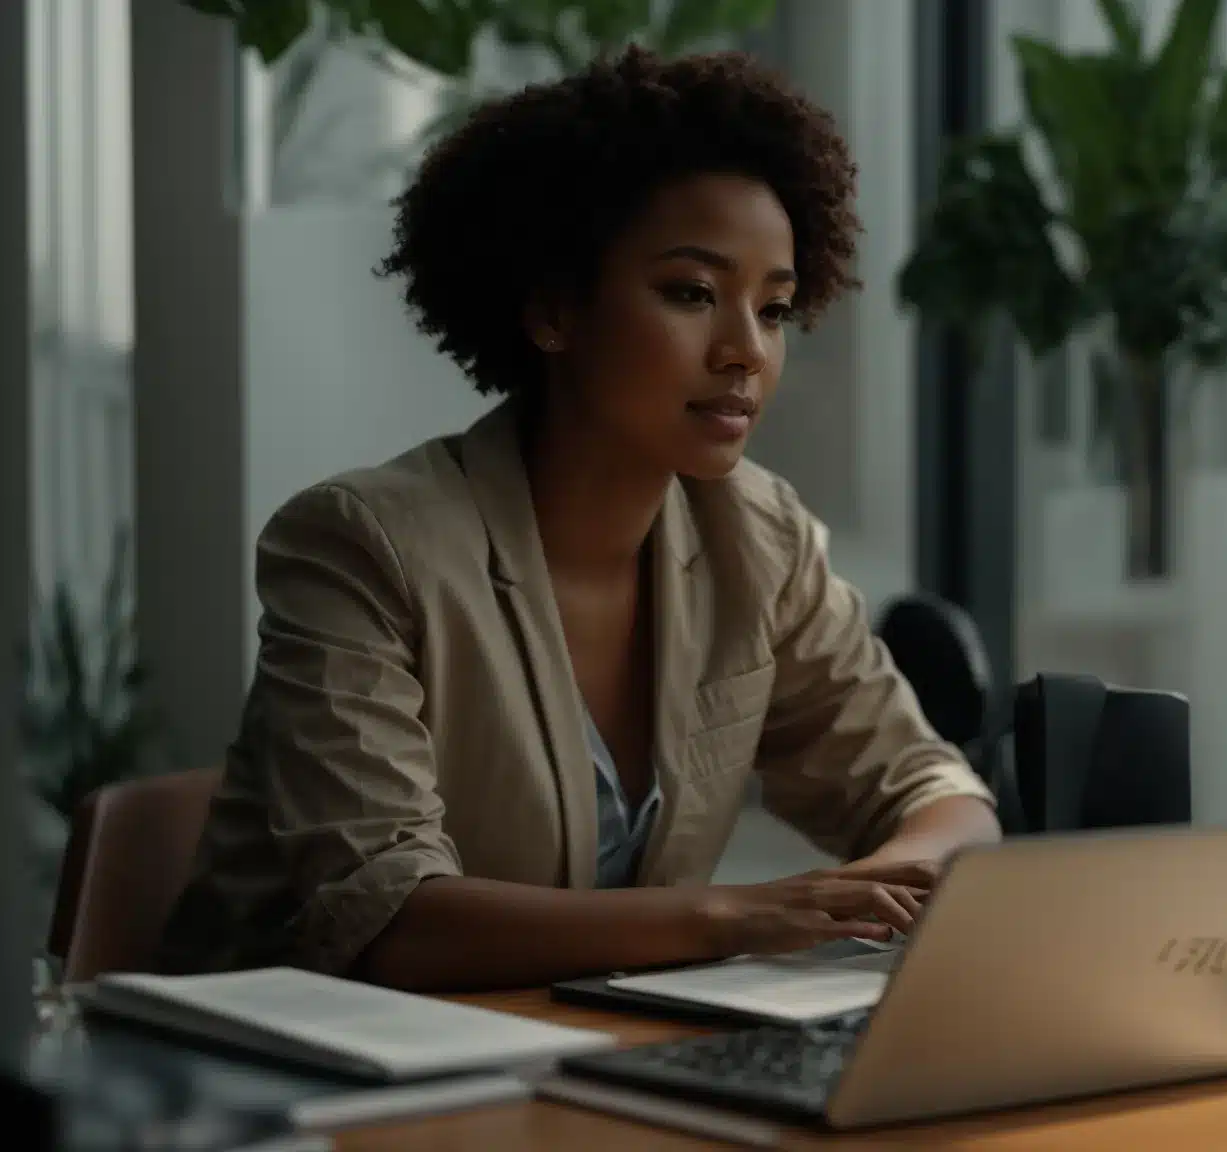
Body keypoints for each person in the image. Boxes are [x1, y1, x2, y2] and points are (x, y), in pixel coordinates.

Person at [159, 49, 999, 992]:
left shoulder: (760, 539)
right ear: (555, 309)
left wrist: (887, 884)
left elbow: (936, 792)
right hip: (278, 1098)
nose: (744, 352)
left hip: (576, 1055)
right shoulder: (362, 544)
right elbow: (387, 918)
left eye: (774, 309)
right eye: (691, 293)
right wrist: (745, 915)